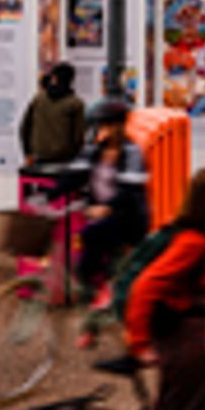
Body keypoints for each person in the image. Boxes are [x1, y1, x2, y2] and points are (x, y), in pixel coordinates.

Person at [125, 169, 205, 410]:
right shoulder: (194, 242)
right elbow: (145, 285)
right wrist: (139, 343)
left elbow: (188, 279)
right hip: (183, 341)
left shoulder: (185, 231)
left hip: (189, 338)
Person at [73, 98, 149, 293]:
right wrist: (51, 193)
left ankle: (97, 286)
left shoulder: (132, 152)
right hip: (108, 212)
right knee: (89, 235)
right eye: (99, 125)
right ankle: (100, 280)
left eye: (105, 124)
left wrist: (107, 207)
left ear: (119, 126)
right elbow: (79, 174)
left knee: (91, 235)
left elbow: (130, 191)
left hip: (129, 216)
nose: (101, 129)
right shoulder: (97, 149)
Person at [18, 63, 86, 165]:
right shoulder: (76, 103)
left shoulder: (38, 99)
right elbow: (78, 137)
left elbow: (24, 128)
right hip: (64, 160)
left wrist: (28, 153)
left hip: (39, 158)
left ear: (54, 78)